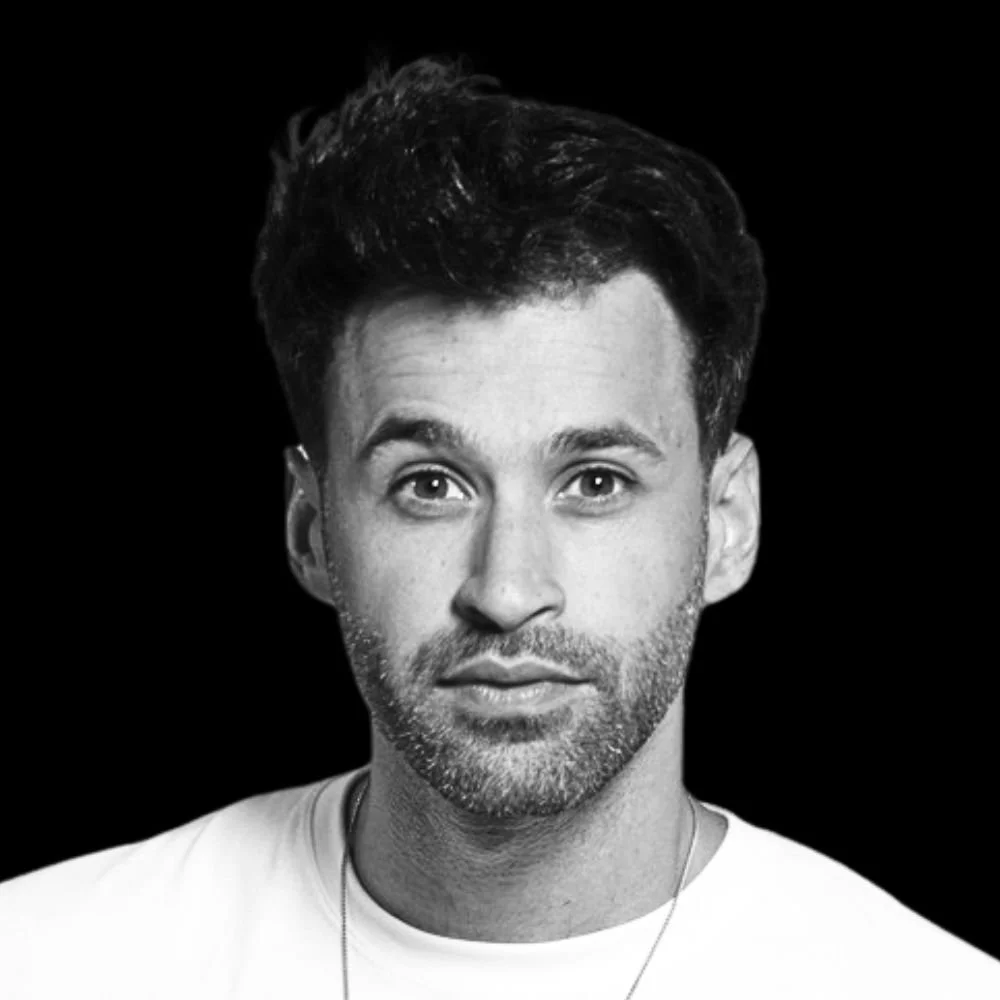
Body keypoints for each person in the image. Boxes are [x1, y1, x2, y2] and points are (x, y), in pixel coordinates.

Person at [2, 54, 997, 1000]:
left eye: (595, 480)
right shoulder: (48, 958)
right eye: (431, 483)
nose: (508, 588)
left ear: (726, 519)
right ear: (311, 529)